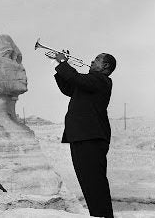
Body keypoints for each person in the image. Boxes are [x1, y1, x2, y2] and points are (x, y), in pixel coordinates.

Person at [53, 52, 116, 218]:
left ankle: (103, 216)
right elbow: (68, 88)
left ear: (105, 66)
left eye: (96, 60)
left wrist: (64, 63)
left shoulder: (101, 81)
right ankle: (99, 215)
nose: (91, 61)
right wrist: (60, 67)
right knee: (89, 184)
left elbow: (75, 78)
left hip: (91, 138)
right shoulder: (89, 83)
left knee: (95, 183)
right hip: (82, 137)